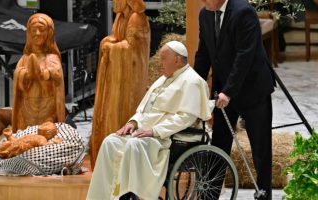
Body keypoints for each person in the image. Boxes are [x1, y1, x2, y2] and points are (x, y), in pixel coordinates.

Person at [87, 41, 212, 200]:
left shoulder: (193, 81)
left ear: (177, 60)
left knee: (134, 144)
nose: (160, 64)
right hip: (145, 133)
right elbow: (144, 109)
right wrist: (132, 123)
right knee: (110, 141)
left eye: (164, 59)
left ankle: (127, 196)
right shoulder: (163, 79)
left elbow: (185, 118)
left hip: (169, 138)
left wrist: (154, 131)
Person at [194, 0, 276, 199]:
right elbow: (204, 54)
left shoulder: (243, 12)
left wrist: (228, 91)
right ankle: (210, 195)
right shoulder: (205, 14)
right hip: (224, 88)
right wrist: (194, 87)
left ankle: (264, 194)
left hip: (252, 88)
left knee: (260, 147)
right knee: (219, 142)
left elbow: (244, 56)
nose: (202, 1)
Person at [90, 0, 151, 168]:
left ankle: (119, 164)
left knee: (122, 113)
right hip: (117, 78)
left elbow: (132, 48)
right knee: (109, 113)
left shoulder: (136, 18)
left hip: (129, 82)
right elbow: (116, 38)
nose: (113, 3)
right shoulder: (120, 17)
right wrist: (108, 42)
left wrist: (111, 48)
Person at [12, 13, 65, 132]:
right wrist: (26, 75)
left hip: (47, 108)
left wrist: (45, 74)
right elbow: (17, 77)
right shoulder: (24, 59)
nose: (37, 34)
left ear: (49, 33)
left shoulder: (52, 58)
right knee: (25, 136)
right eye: (33, 30)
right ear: (29, 33)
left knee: (45, 134)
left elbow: (57, 77)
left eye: (41, 30)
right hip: (27, 107)